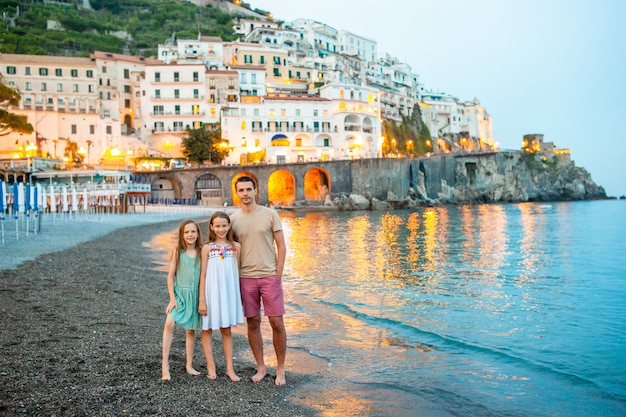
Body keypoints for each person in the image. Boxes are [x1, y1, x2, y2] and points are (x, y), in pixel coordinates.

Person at [231, 176, 287, 386]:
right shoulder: (233, 219)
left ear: (256, 191)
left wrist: (278, 273)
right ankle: (261, 367)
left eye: (248, 189)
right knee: (253, 322)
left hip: (269, 276)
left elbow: (281, 245)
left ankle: (280, 369)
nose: (245, 193)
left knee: (276, 322)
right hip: (246, 277)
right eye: (241, 190)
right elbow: (229, 250)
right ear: (237, 193)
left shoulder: (270, 214)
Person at [198, 211, 244, 382]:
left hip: (228, 293)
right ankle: (211, 366)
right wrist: (202, 299)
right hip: (211, 292)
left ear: (229, 226)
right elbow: (203, 274)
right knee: (207, 328)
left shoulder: (236, 247)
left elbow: (237, 273)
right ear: (211, 227)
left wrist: (238, 297)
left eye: (224, 225)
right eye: (217, 226)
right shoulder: (207, 248)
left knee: (226, 329)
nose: (221, 229)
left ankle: (229, 369)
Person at [161, 219, 203, 381]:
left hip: (195, 295)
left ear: (198, 233)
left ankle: (189, 364)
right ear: (182, 234)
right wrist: (172, 299)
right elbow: (170, 277)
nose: (190, 235)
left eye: (193, 231)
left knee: (190, 330)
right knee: (169, 323)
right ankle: (165, 364)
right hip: (180, 295)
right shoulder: (178, 252)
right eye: (186, 232)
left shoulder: (201, 252)